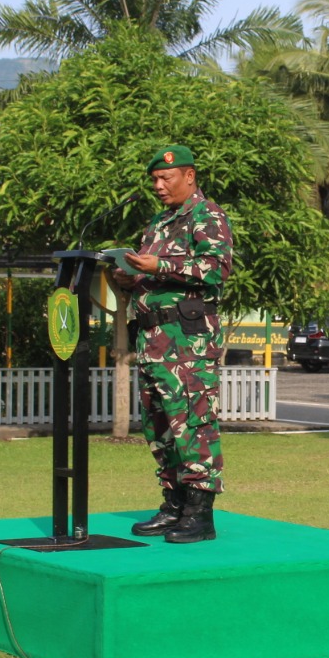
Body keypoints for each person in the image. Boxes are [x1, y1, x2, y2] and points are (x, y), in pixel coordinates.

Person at [110, 145, 233, 544]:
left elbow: (216, 268)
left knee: (192, 422)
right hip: (153, 340)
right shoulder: (159, 223)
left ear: (189, 176)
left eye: (166, 178)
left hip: (187, 342)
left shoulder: (207, 215)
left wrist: (159, 264)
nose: (158, 186)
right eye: (154, 180)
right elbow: (158, 277)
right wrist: (132, 277)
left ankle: (199, 513)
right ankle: (174, 504)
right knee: (160, 424)